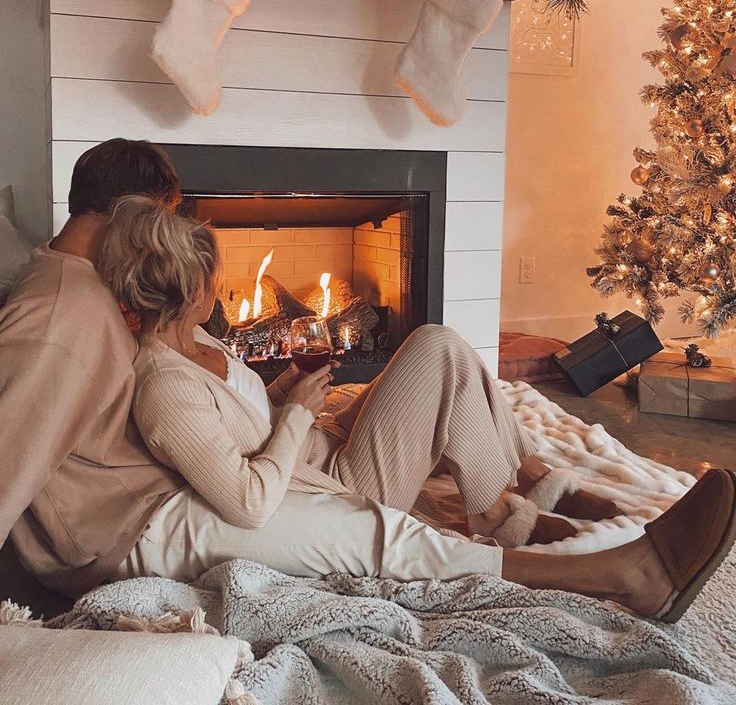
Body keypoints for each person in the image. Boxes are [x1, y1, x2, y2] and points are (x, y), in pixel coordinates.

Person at [100, 195, 736, 623]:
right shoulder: (165, 388)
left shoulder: (199, 340)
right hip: (334, 481)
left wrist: (280, 393)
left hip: (318, 444)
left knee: (445, 353)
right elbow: (248, 501)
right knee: (436, 347)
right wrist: (294, 413)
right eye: (212, 276)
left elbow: (240, 424)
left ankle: (526, 485)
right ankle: (510, 505)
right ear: (185, 291)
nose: (221, 286)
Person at [0, 139, 186, 598]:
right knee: (376, 534)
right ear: (129, 213)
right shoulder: (59, 318)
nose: (160, 237)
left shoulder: (82, 278)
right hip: (132, 524)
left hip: (161, 491)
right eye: (158, 219)